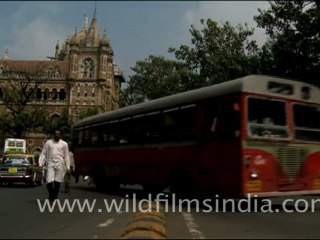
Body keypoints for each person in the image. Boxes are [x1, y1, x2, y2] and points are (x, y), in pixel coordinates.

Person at [39, 128, 70, 203]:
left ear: (60, 135)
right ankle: (51, 194)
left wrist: (68, 167)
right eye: (56, 133)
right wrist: (40, 163)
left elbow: (66, 156)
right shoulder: (48, 143)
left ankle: (54, 196)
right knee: (49, 180)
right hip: (50, 163)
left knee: (57, 181)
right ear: (53, 134)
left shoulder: (64, 144)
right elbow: (43, 153)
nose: (57, 135)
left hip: (60, 164)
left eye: (58, 133)